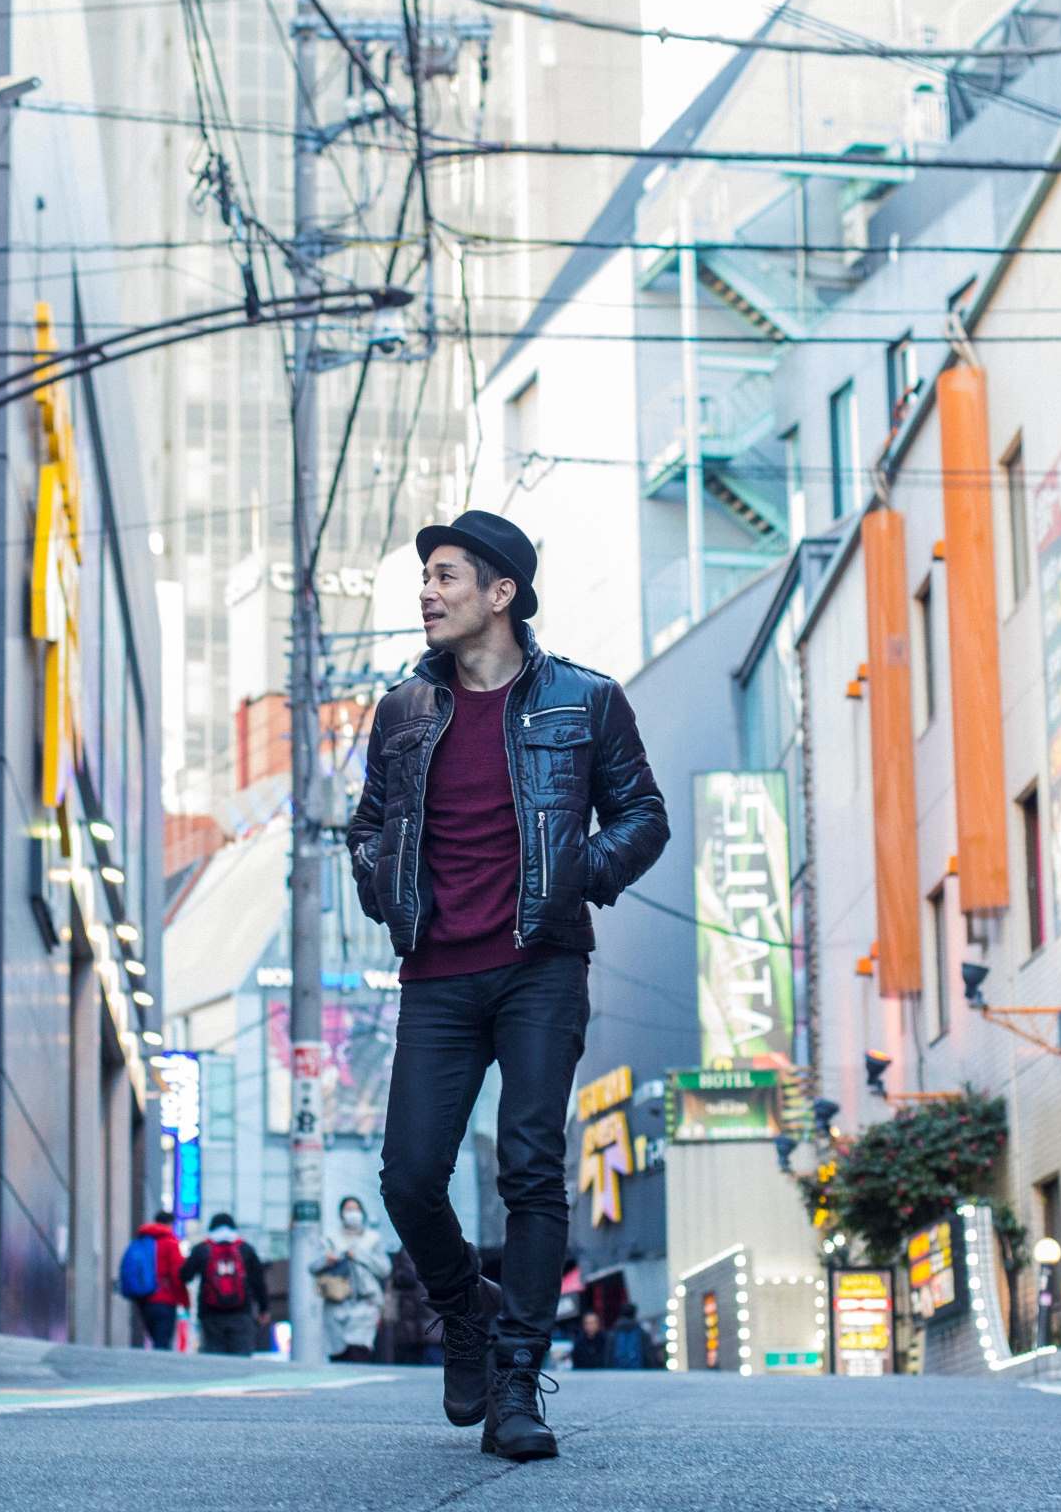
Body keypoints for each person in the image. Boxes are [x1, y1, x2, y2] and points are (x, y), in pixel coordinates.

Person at [347, 510, 669, 1463]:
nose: (428, 592)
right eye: (426, 578)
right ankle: (466, 1311)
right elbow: (368, 825)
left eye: (446, 576)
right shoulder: (404, 709)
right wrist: (379, 881)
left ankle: (519, 1379)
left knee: (530, 1167)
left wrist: (582, 873)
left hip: (541, 966)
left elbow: (643, 814)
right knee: (409, 1177)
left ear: (502, 594)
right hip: (436, 973)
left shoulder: (586, 699)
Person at [181, 1212, 270, 1355]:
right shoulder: (245, 1249)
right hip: (241, 1313)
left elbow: (185, 1275)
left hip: (210, 1314)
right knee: (240, 1356)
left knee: (214, 1357)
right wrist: (264, 1308)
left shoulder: (202, 1249)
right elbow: (258, 1282)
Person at [316, 1196, 388, 1362]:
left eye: (356, 1209)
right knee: (338, 1353)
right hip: (336, 1301)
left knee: (359, 1351)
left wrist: (359, 1255)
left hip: (365, 1302)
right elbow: (313, 1266)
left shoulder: (373, 1239)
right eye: (348, 1209)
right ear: (341, 1214)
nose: (352, 1213)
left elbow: (384, 1269)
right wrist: (327, 1260)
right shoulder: (330, 1239)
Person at [124, 1212, 188, 1350]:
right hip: (165, 1299)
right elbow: (177, 1275)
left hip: (144, 1299)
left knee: (155, 1338)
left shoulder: (142, 1240)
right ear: (170, 1224)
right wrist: (185, 1301)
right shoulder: (170, 1243)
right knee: (162, 1342)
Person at [608, 1306, 655, 1371]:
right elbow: (648, 1355)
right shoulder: (642, 1333)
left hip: (616, 1372)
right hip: (638, 1372)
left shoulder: (613, 1333)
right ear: (634, 1314)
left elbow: (608, 1356)